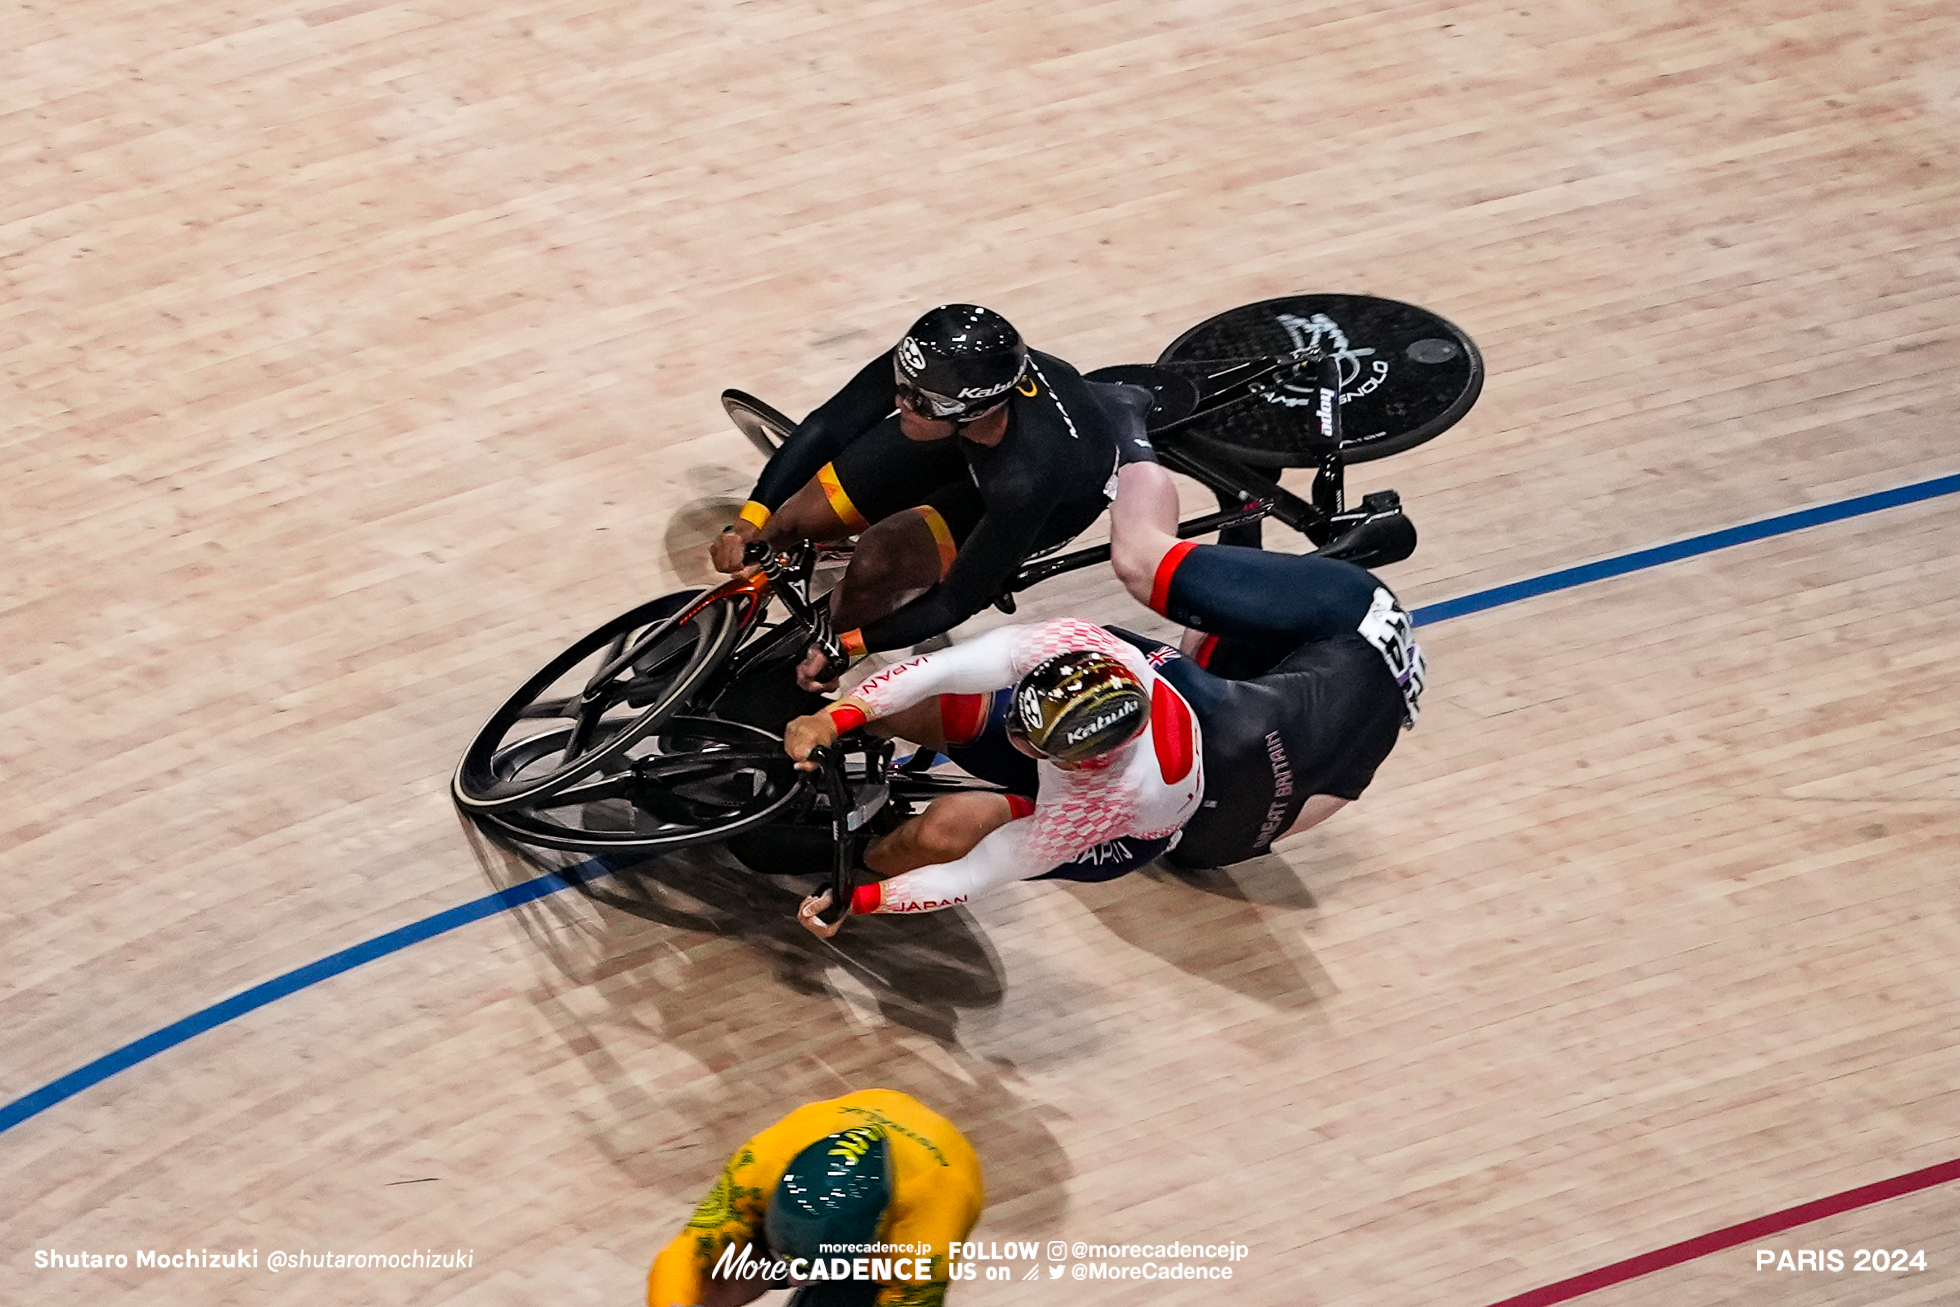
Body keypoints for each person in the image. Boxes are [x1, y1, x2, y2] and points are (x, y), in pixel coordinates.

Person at [780, 459, 1424, 933]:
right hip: (1329, 670)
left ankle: (862, 854)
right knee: (934, 699)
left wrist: (856, 898)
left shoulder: (1109, 803)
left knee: (949, 833)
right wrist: (841, 716)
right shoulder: (1084, 646)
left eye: (1033, 742)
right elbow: (947, 669)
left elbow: (971, 874)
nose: (1016, 738)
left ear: (1087, 762)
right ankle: (1137, 453)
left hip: (1229, 807)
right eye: (1023, 719)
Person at [710, 304, 1151, 690]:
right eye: (901, 385)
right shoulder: (938, 369)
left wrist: (849, 644)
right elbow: (830, 426)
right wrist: (751, 517)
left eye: (918, 401)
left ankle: (803, 665)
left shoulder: (1027, 476)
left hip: (1032, 498)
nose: (901, 402)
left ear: (974, 408)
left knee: (878, 562)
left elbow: (956, 600)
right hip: (956, 439)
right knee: (792, 520)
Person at [648, 1089, 984, 1307]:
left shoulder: (923, 1250)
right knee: (712, 1278)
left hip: (941, 1170)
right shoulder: (758, 1167)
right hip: (842, 1123)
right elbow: (681, 1255)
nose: (793, 1279)